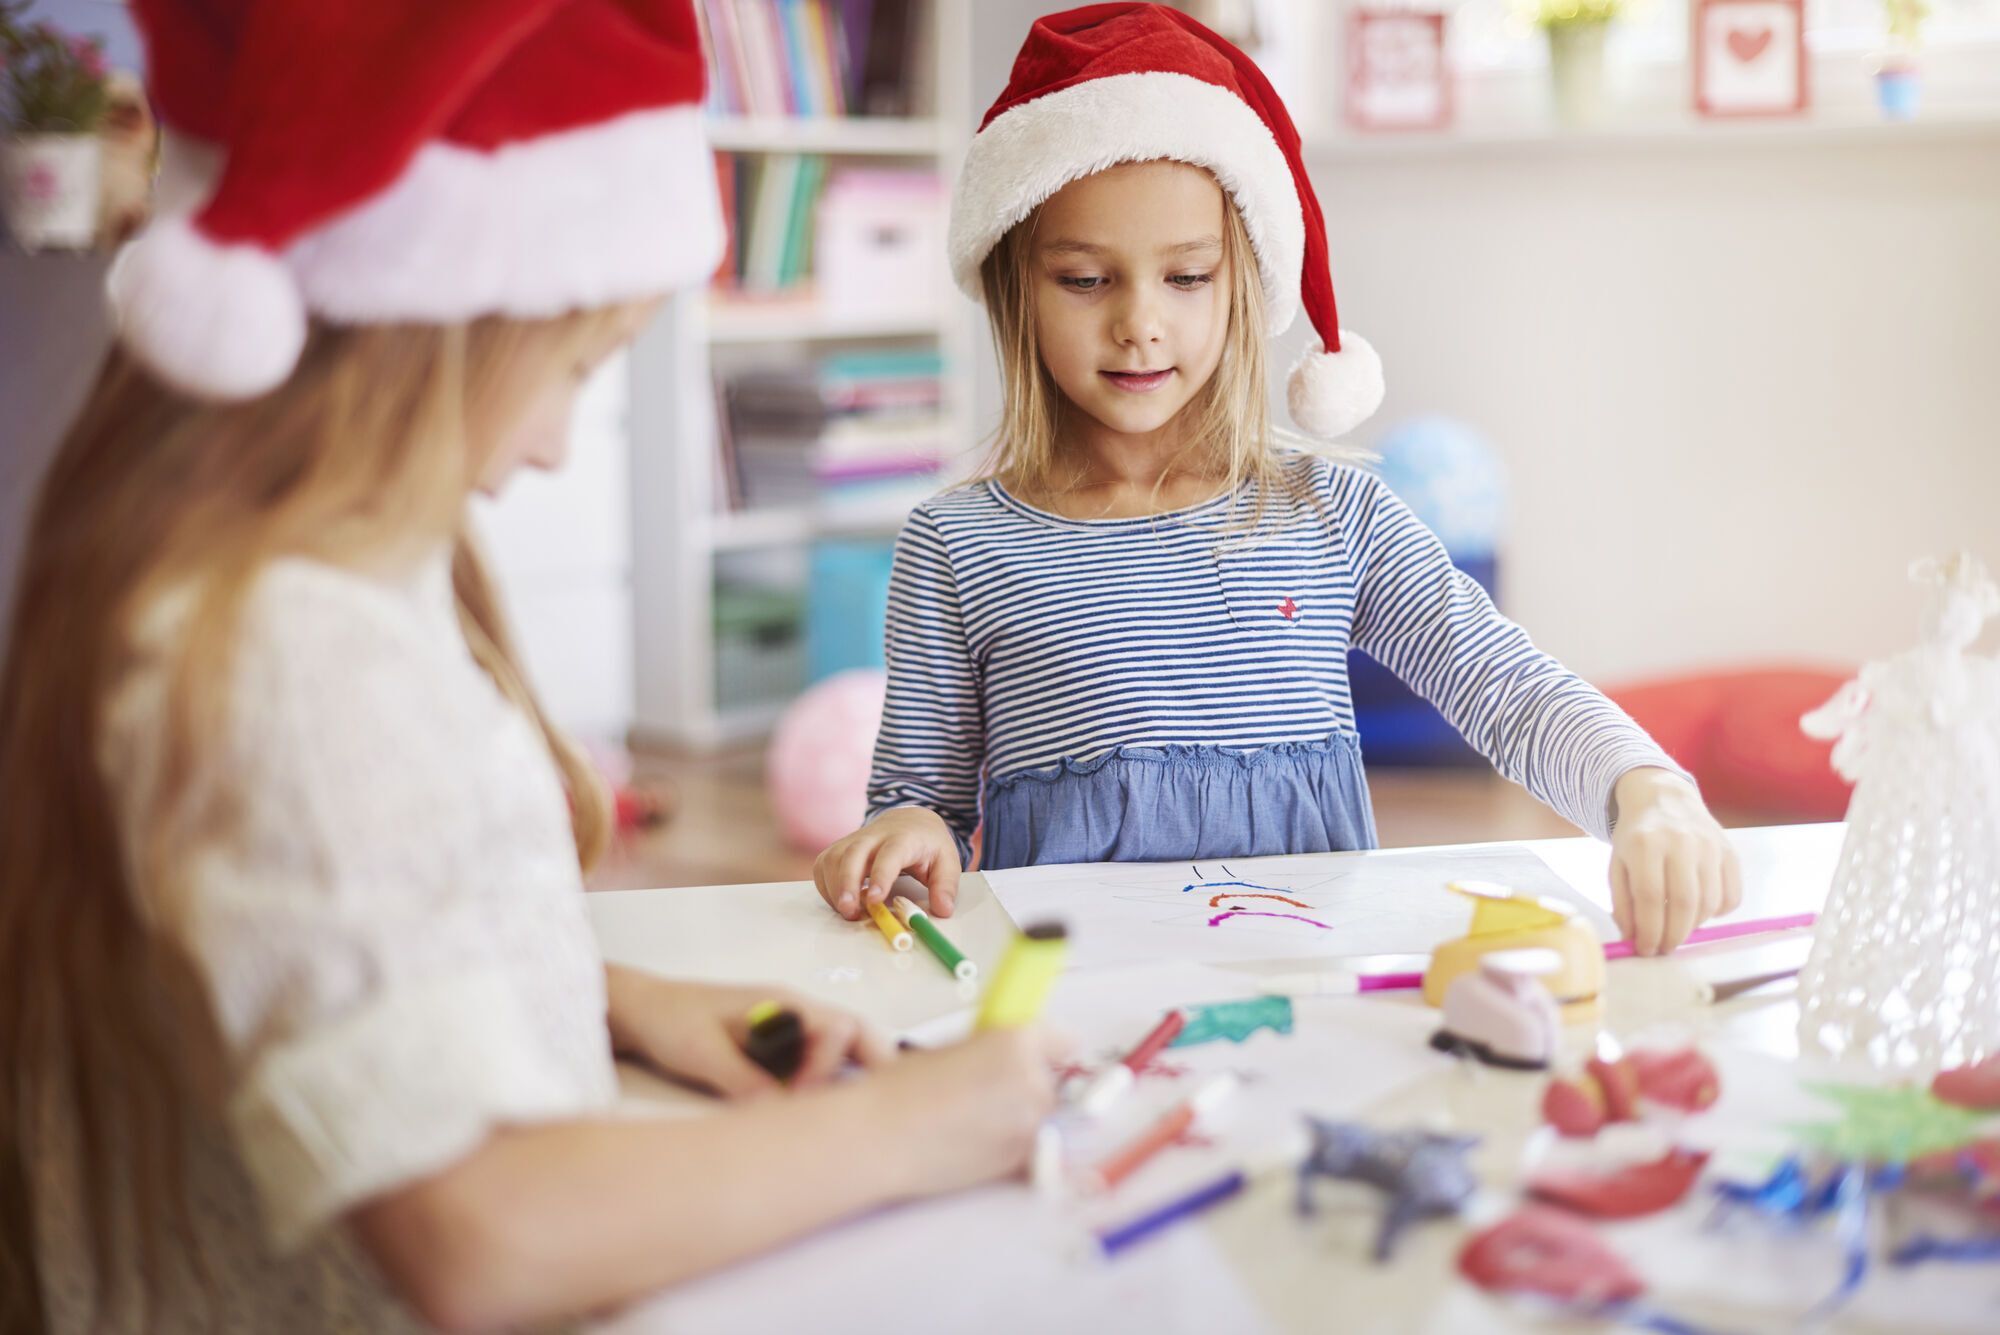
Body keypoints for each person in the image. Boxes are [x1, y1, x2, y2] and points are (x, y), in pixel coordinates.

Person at [0, 4, 1056, 1331]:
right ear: (414, 328)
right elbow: (479, 1230)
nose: (560, 442)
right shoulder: (288, 658)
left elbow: (320, 954)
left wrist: (628, 1003)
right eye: (571, 365)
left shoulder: (315, 577)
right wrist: (917, 1125)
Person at [814, 3, 1740, 959]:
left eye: (1187, 278)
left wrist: (1648, 788)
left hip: (1310, 998)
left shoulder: (1336, 511)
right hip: (1067, 1010)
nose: (1140, 323)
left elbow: (1507, 687)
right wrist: (912, 829)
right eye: (1087, 279)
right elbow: (915, 800)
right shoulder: (957, 542)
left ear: (1245, 284)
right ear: (1017, 287)